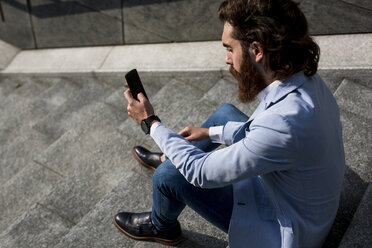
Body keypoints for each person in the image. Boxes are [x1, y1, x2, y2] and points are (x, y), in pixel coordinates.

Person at [114, 0, 346, 247]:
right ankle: (170, 155)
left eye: (229, 48)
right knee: (224, 115)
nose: (226, 59)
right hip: (301, 197)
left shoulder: (284, 124)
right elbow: (263, 131)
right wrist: (209, 133)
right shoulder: (305, 79)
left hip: (285, 225)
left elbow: (200, 172)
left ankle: (162, 226)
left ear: (257, 50)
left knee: (168, 176)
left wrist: (150, 122)